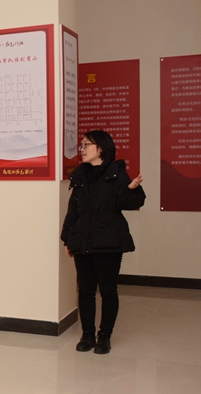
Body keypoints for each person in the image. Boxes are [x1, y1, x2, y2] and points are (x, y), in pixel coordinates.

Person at [61, 130, 145, 355]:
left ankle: (104, 336)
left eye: (87, 145)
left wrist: (133, 189)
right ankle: (87, 334)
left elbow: (129, 202)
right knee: (85, 290)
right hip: (83, 240)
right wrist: (68, 238)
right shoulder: (80, 175)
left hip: (108, 242)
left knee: (107, 290)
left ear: (101, 149)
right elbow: (73, 211)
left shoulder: (116, 173)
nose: (82, 149)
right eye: (82, 145)